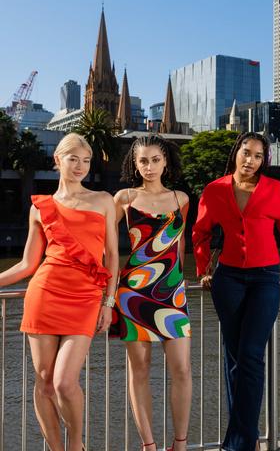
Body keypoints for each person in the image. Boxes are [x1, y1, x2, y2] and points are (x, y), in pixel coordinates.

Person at [192, 132, 280, 451]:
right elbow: (200, 233)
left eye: (257, 156)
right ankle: (249, 438)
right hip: (227, 280)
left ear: (263, 161)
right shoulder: (214, 190)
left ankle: (238, 443)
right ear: (236, 153)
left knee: (251, 356)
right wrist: (203, 269)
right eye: (246, 152)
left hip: (265, 279)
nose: (250, 160)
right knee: (234, 359)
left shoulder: (275, 190)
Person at [0, 132, 118, 451]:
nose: (80, 166)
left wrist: (109, 301)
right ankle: (55, 447)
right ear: (57, 160)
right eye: (73, 159)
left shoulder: (104, 200)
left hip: (86, 298)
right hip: (45, 294)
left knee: (64, 382)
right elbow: (27, 264)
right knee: (43, 382)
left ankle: (76, 445)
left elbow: (113, 255)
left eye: (86, 160)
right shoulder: (41, 207)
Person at [111, 135, 191, 451]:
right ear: (134, 163)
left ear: (166, 161)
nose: (149, 166)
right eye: (143, 160)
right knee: (139, 372)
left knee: (182, 369)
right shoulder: (124, 198)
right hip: (134, 294)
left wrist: (184, 282)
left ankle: (180, 443)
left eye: (155, 159)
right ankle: (149, 445)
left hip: (173, 294)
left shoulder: (181, 199)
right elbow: (102, 241)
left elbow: (180, 246)